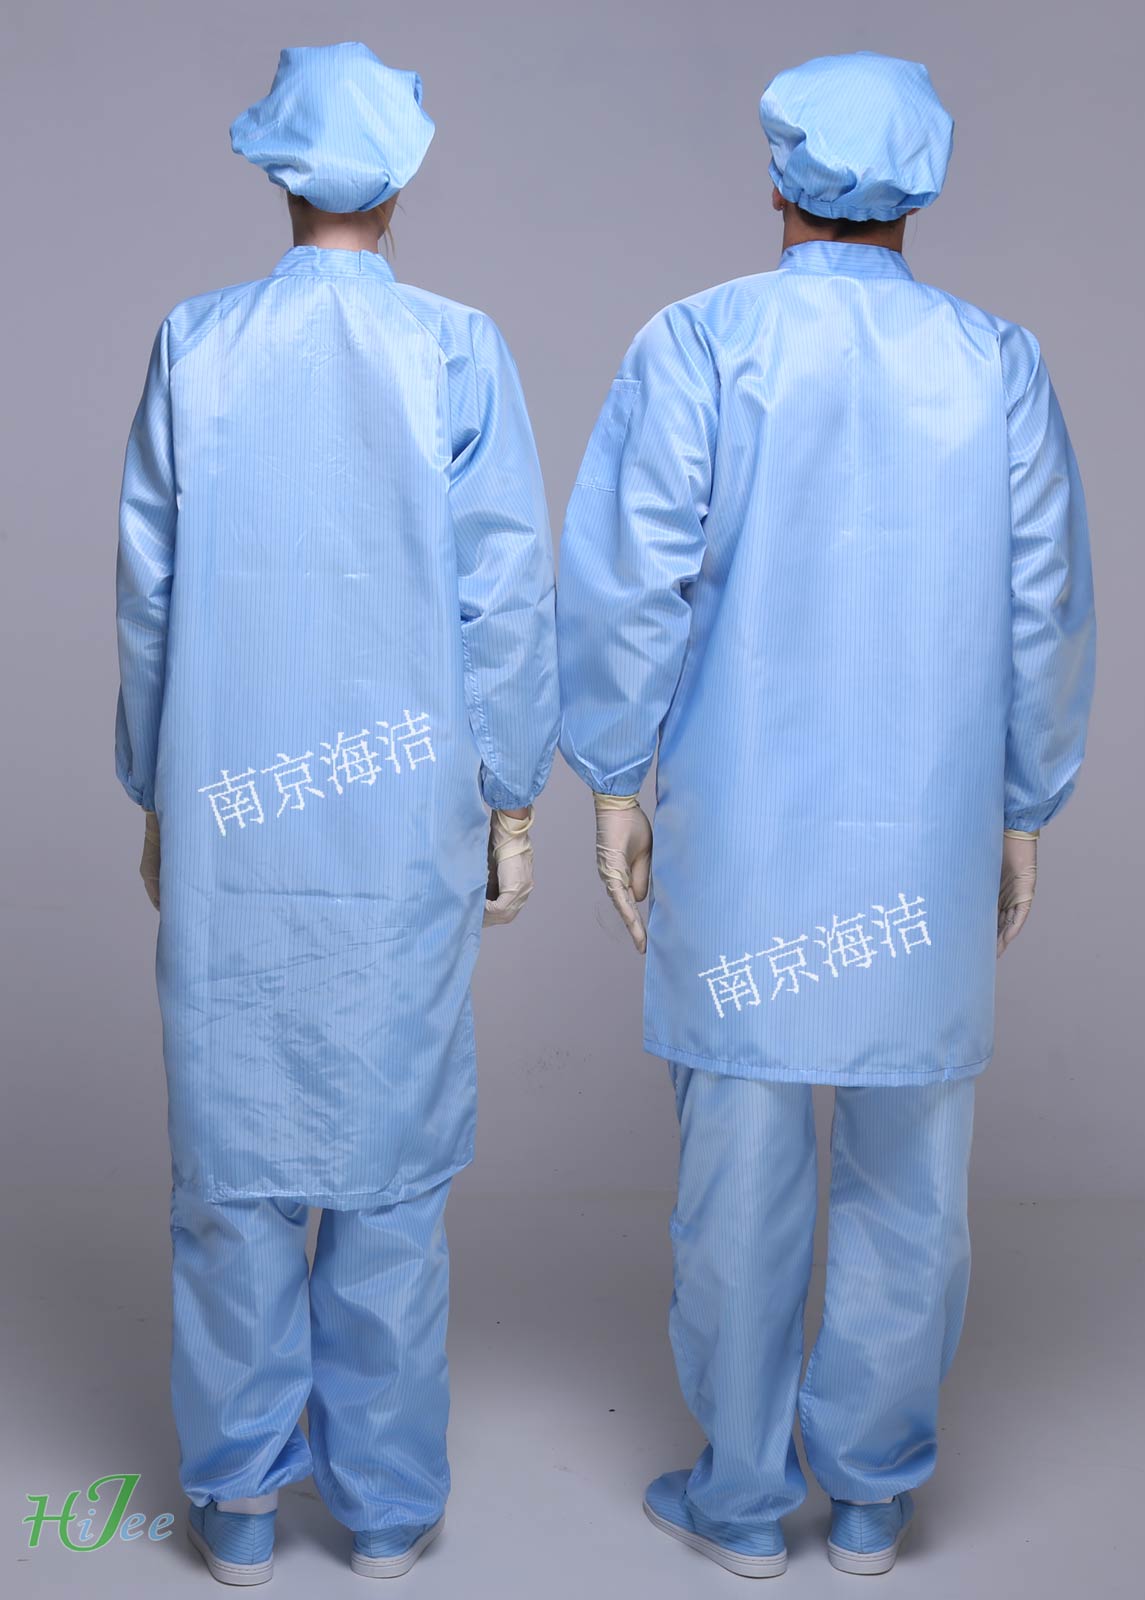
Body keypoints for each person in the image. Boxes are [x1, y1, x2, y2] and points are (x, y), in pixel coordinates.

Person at [557, 50, 1094, 1579]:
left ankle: (738, 1501)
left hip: (744, 838)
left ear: (779, 176)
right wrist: (1022, 805)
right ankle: (870, 1495)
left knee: (737, 1179)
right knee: (912, 1181)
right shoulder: (996, 363)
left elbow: (629, 583)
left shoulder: (703, 342)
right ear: (920, 189)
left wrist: (613, 777)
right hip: (925, 838)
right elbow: (1042, 610)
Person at [115, 42, 558, 1584]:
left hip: (233, 816)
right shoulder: (456, 351)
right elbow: (506, 598)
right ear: (404, 175)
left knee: (234, 1163)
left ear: (279, 172)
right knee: (388, 1171)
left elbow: (151, 598)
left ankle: (236, 1512)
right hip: (400, 828)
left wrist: (154, 785)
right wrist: (513, 800)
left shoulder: (199, 345)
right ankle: (383, 1511)